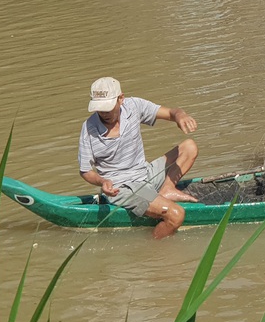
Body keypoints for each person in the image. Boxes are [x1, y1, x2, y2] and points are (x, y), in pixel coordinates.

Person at [78, 77, 199, 239]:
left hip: (146, 174)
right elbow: (85, 170)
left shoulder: (133, 106)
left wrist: (180, 116)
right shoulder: (88, 129)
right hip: (124, 187)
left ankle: (167, 189)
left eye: (107, 107)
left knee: (189, 146)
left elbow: (171, 112)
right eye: (99, 108)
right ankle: (152, 251)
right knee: (176, 214)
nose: (103, 113)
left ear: (121, 99)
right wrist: (102, 182)